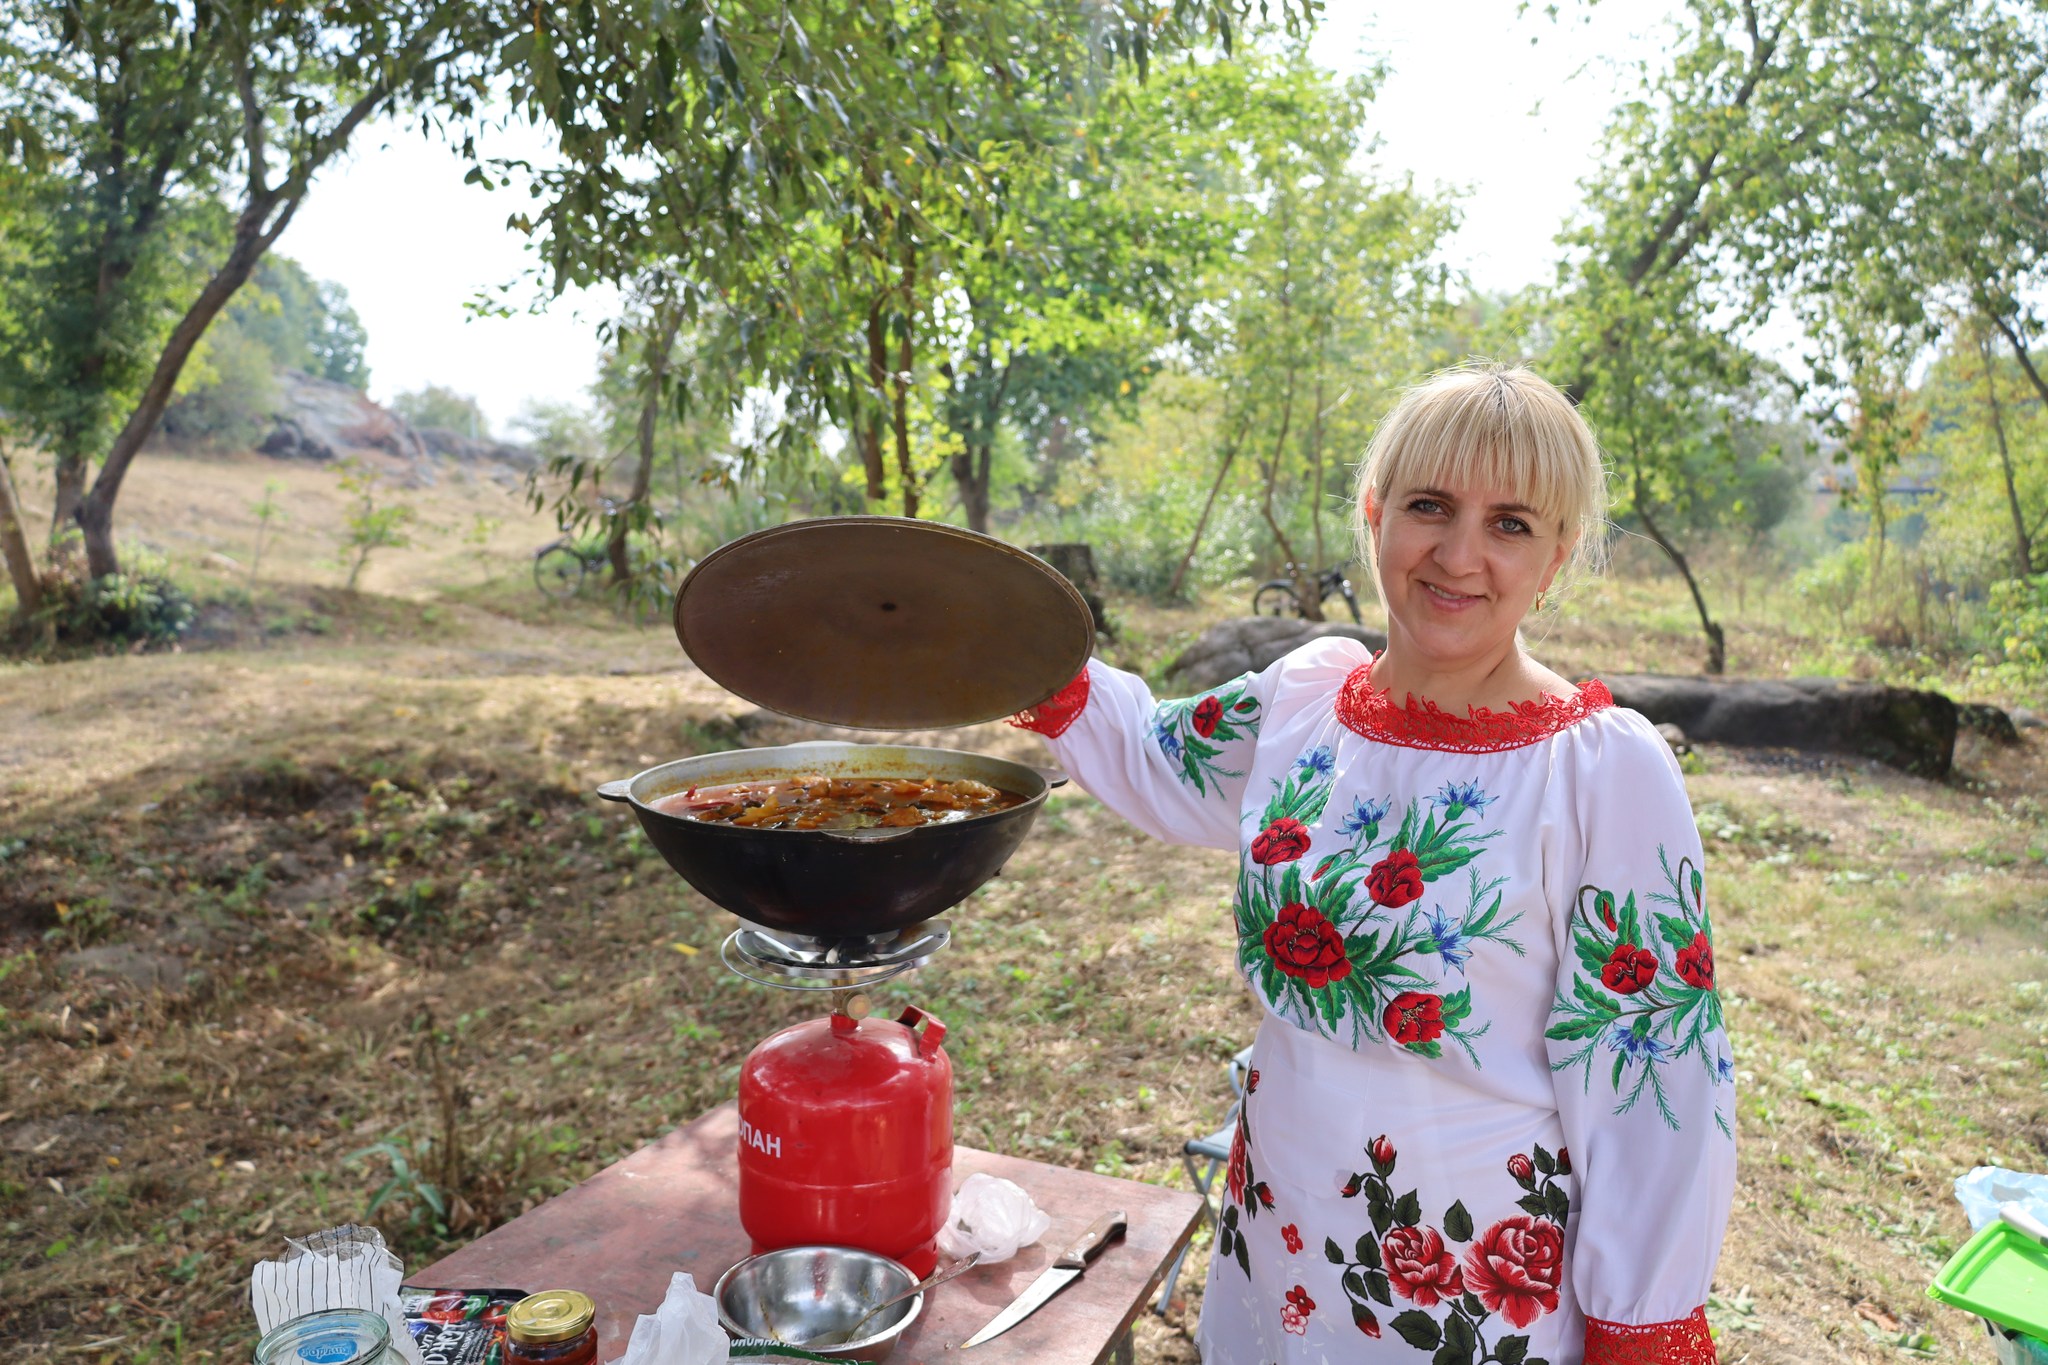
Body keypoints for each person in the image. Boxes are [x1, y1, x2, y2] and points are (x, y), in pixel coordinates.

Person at [1011, 364, 1735, 1365]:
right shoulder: (1302, 703)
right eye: (1428, 507)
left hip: (1466, 1287)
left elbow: (1652, 1075)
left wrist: (1641, 1320)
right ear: (1373, 514)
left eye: (1510, 524)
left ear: (1557, 555)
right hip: (1275, 1233)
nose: (1457, 554)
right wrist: (995, 633)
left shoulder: (1601, 773)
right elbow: (1151, 755)